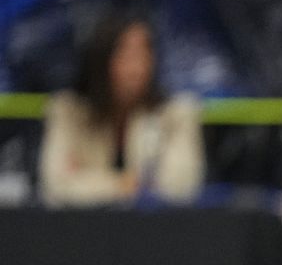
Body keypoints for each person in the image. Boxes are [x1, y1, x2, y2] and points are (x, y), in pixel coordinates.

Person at [39, 11, 203, 206]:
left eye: (144, 53)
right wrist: (126, 184)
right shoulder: (68, 111)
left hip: (152, 230)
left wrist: (87, 179)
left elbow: (179, 188)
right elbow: (57, 186)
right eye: (125, 54)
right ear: (101, 58)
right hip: (80, 230)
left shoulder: (176, 113)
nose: (137, 67)